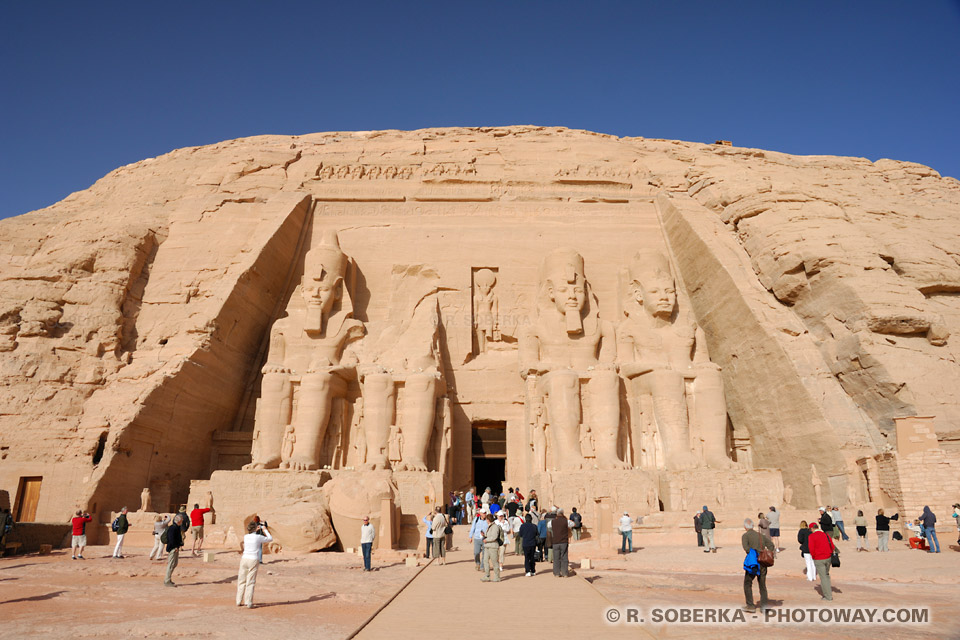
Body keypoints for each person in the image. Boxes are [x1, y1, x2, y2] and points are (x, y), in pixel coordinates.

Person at [742, 518, 775, 612]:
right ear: (752, 526)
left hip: (753, 564)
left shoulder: (745, 536)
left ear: (745, 527)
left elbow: (746, 549)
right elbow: (771, 546)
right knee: (762, 585)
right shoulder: (760, 535)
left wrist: (754, 553)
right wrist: (765, 553)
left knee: (747, 583)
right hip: (762, 562)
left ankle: (750, 606)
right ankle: (764, 607)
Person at [236, 519, 272, 607]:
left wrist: (257, 528)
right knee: (250, 581)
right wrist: (264, 529)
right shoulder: (258, 537)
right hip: (253, 559)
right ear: (256, 528)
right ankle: (248, 602)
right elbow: (270, 539)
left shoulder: (246, 536)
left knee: (241, 580)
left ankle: (238, 600)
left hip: (244, 558)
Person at [808, 522, 836, 601]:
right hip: (828, 557)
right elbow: (832, 546)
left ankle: (828, 596)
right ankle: (827, 594)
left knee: (823, 577)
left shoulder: (812, 536)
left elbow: (811, 548)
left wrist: (814, 557)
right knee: (826, 576)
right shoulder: (826, 534)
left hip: (819, 558)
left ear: (812, 528)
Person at [164, 512, 187, 587]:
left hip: (176, 548)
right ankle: (167, 581)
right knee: (171, 564)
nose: (183, 521)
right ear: (179, 521)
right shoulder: (173, 528)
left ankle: (168, 578)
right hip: (173, 548)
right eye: (182, 520)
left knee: (174, 564)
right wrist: (175, 547)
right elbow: (171, 539)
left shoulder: (177, 527)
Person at [480, 514, 501, 582]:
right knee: (485, 561)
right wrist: (484, 535)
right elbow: (489, 535)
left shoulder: (495, 527)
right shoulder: (489, 526)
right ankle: (487, 576)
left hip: (493, 546)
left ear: (488, 520)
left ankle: (497, 576)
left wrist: (487, 540)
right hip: (487, 546)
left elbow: (494, 536)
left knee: (494, 562)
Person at [552, 508, 570, 577]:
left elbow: (548, 526)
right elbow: (573, 524)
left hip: (555, 541)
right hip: (563, 541)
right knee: (564, 557)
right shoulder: (566, 521)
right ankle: (564, 573)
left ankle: (556, 573)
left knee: (556, 558)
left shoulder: (553, 521)